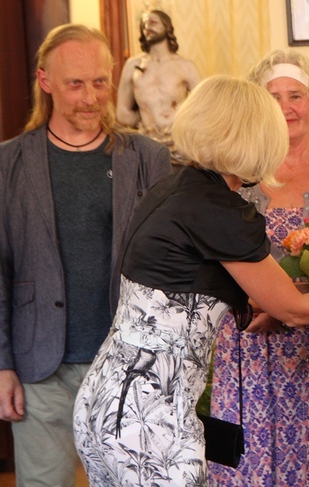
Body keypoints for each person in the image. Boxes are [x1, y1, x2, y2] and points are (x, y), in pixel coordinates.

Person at [71, 74, 309, 485]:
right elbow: (291, 310)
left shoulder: (173, 188)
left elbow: (198, 287)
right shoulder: (222, 212)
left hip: (103, 398)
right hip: (151, 414)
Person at [0, 24, 172, 487]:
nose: (91, 96)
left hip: (131, 365)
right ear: (45, 81)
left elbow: (170, 264)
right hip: (40, 367)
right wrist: (2, 365)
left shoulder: (148, 158)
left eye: (100, 81)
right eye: (75, 83)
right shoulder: (8, 164)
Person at [208, 50, 309, 486]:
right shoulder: (238, 169)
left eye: (296, 95)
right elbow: (214, 253)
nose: (286, 107)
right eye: (274, 96)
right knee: (251, 467)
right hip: (252, 345)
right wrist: (259, 302)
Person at [116, 9, 201, 164]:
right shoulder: (133, 65)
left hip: (179, 145)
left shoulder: (185, 66)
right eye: (144, 24)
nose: (147, 26)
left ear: (167, 27)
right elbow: (122, 113)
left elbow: (203, 108)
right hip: (146, 143)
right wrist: (144, 122)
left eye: (153, 22)